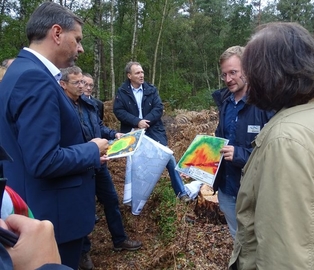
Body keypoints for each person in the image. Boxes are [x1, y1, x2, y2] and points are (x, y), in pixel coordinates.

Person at [229, 22, 314, 270]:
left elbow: (283, 256)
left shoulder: (285, 140)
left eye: (251, 71)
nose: (248, 80)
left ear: (271, 73)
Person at [0, 2, 108, 269]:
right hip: (51, 217)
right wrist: (92, 150)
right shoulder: (35, 79)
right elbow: (43, 159)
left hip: (35, 208)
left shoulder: (18, 72)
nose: (81, 48)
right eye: (78, 40)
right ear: (57, 33)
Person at [60, 67, 142, 270]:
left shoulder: (90, 105)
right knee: (85, 208)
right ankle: (84, 253)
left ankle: (119, 239)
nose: (82, 86)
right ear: (63, 84)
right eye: (77, 83)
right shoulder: (61, 108)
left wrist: (115, 135)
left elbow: (98, 127)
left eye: (84, 82)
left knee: (111, 200)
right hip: (80, 166)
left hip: (100, 164)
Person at [211, 46, 274, 239]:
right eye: (224, 75)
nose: (228, 79)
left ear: (247, 69)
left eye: (233, 72)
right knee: (237, 237)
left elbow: (274, 152)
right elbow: (220, 138)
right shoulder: (226, 102)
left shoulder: (265, 104)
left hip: (253, 193)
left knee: (257, 240)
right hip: (226, 189)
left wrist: (239, 155)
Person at [113, 61, 191, 202]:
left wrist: (145, 122)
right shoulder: (122, 92)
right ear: (129, 75)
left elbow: (158, 108)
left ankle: (181, 192)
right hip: (133, 133)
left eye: (142, 72)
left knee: (169, 158)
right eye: (137, 73)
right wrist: (137, 122)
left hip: (154, 130)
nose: (141, 75)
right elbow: (119, 111)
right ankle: (136, 199)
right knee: (137, 165)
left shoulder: (151, 89)